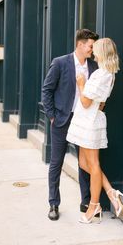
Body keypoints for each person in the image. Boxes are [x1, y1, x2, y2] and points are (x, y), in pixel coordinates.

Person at [66, 38, 123, 223]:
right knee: (85, 164)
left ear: (102, 52)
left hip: (89, 122)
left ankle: (94, 206)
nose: (93, 52)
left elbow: (85, 102)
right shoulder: (108, 74)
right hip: (89, 121)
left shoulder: (101, 74)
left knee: (92, 165)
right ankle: (111, 193)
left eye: (95, 49)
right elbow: (100, 104)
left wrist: (81, 84)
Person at [42, 29, 99, 220]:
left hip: (84, 121)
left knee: (84, 162)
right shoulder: (60, 63)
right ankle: (53, 204)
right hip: (61, 121)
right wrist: (52, 117)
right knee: (56, 163)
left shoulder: (94, 66)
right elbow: (47, 90)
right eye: (91, 45)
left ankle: (86, 201)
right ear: (80, 45)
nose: (92, 49)